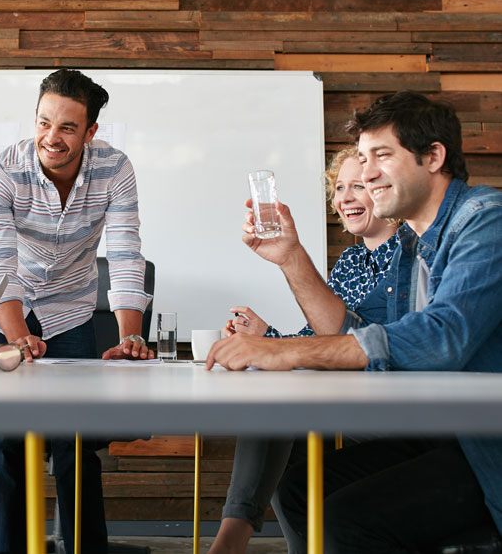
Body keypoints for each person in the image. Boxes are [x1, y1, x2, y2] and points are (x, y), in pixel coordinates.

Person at [207, 91, 502, 553]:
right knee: (299, 491)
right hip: (441, 435)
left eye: (381, 156)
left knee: (347, 520)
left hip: (486, 448)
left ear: (433, 156)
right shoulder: (411, 247)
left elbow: (440, 339)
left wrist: (282, 350)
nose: (365, 174)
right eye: (363, 158)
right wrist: (291, 258)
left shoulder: (485, 222)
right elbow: (358, 334)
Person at [0, 68, 154, 554]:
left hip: (72, 313)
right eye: (43, 122)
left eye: (67, 128)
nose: (50, 138)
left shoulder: (115, 169)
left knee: (75, 444)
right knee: (8, 445)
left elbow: (123, 253)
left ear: (90, 132)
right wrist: (14, 335)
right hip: (9, 310)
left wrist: (130, 337)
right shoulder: (3, 168)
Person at [209, 147, 399, 554]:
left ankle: (232, 536)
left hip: (391, 401)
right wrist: (266, 336)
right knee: (283, 410)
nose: (345, 197)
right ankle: (253, 537)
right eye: (340, 187)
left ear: (386, 191)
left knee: (282, 403)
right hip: (344, 396)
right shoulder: (349, 261)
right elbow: (318, 338)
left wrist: (271, 347)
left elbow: (363, 341)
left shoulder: (411, 254)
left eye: (359, 186)